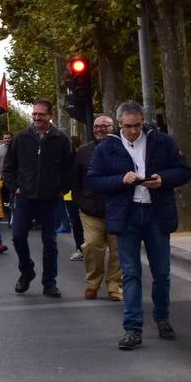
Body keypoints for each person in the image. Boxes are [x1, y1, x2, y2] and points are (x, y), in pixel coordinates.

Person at [87, 101, 191, 350]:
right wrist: (121, 180)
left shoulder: (162, 142)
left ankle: (162, 317)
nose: (133, 131)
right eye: (127, 127)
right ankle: (132, 328)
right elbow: (93, 181)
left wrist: (163, 179)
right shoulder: (107, 148)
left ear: (142, 122)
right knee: (131, 272)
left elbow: (185, 171)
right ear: (119, 123)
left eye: (137, 126)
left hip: (156, 213)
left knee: (162, 271)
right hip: (127, 215)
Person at [2, 99, 76, 297]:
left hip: (50, 199)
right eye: (34, 114)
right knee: (17, 236)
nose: (37, 118)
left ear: (50, 116)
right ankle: (27, 271)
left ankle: (49, 282)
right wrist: (14, 187)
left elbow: (70, 169)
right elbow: (8, 166)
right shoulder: (21, 138)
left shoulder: (62, 139)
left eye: (41, 115)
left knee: (50, 242)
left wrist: (61, 189)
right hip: (25, 197)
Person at [73, 116, 121, 300]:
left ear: (113, 127)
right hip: (90, 209)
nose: (100, 129)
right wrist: (79, 201)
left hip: (117, 208)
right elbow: (75, 179)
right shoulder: (84, 151)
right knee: (92, 245)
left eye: (104, 126)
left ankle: (115, 286)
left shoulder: (122, 149)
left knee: (118, 249)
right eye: (96, 127)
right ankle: (92, 284)